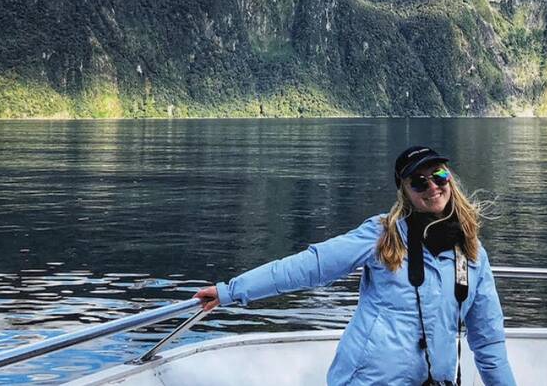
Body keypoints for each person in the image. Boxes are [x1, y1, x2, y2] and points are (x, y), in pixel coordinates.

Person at [194, 145, 517, 386]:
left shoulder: (473, 254)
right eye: (418, 182)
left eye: (439, 176)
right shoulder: (382, 235)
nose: (432, 186)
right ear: (404, 192)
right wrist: (231, 291)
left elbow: (488, 341)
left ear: (450, 179)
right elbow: (311, 266)